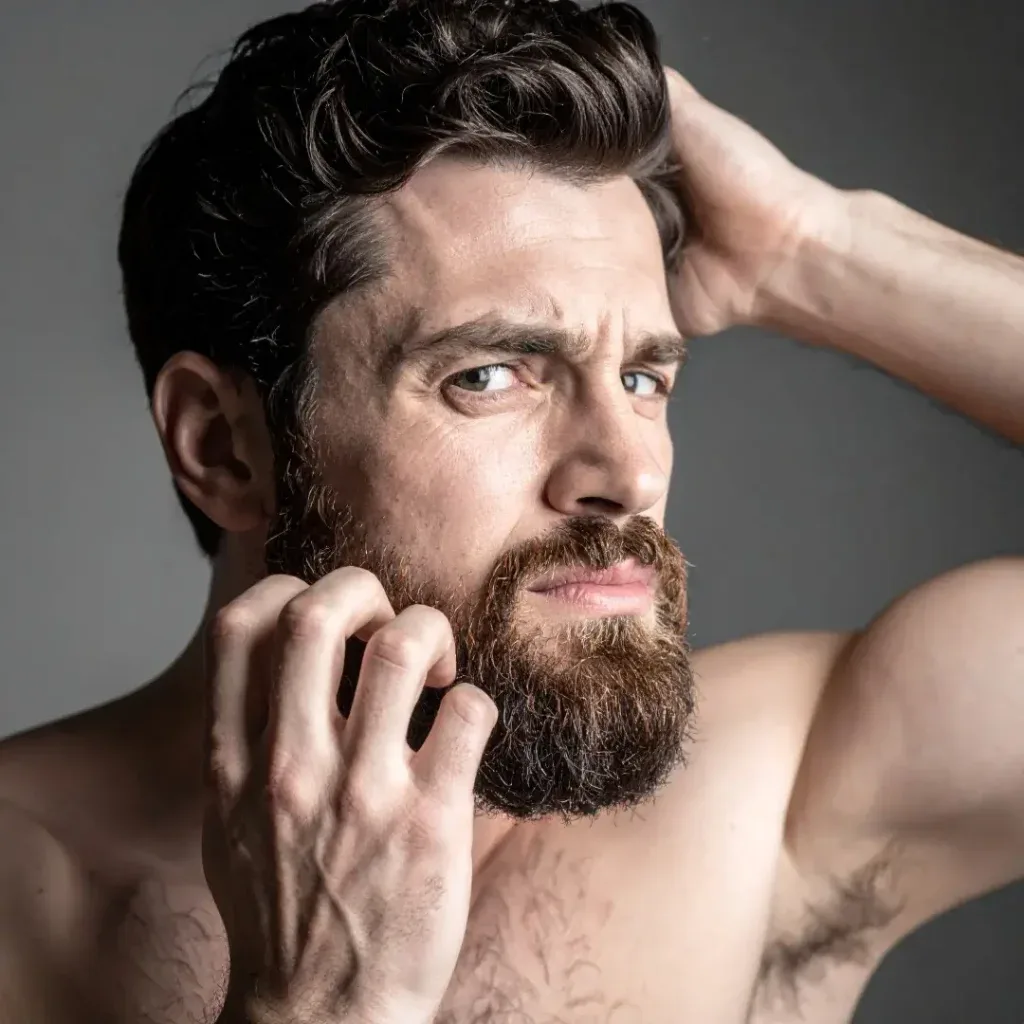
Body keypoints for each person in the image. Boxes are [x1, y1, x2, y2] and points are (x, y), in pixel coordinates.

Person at [0, 0, 1021, 1021]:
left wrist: (809, 250)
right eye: (488, 375)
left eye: (642, 378)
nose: (630, 474)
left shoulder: (765, 807)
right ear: (224, 445)